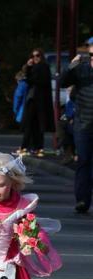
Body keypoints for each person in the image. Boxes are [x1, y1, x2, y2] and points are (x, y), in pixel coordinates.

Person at [60, 37, 93, 213]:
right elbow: (63, 82)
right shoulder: (81, 71)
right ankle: (82, 200)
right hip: (84, 125)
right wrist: (70, 66)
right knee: (84, 162)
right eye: (91, 54)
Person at [19, 48, 54, 157]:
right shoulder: (34, 67)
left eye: (37, 55)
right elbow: (30, 79)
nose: (35, 58)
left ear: (41, 56)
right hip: (33, 98)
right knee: (33, 124)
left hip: (39, 100)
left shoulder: (43, 67)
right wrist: (28, 69)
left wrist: (28, 76)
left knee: (34, 124)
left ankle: (29, 147)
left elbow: (40, 81)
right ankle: (34, 147)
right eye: (33, 56)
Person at [13, 68, 29, 153]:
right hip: (30, 109)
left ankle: (24, 147)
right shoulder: (29, 84)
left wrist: (15, 109)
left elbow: (18, 97)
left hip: (23, 110)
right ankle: (30, 147)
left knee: (26, 130)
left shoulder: (21, 85)